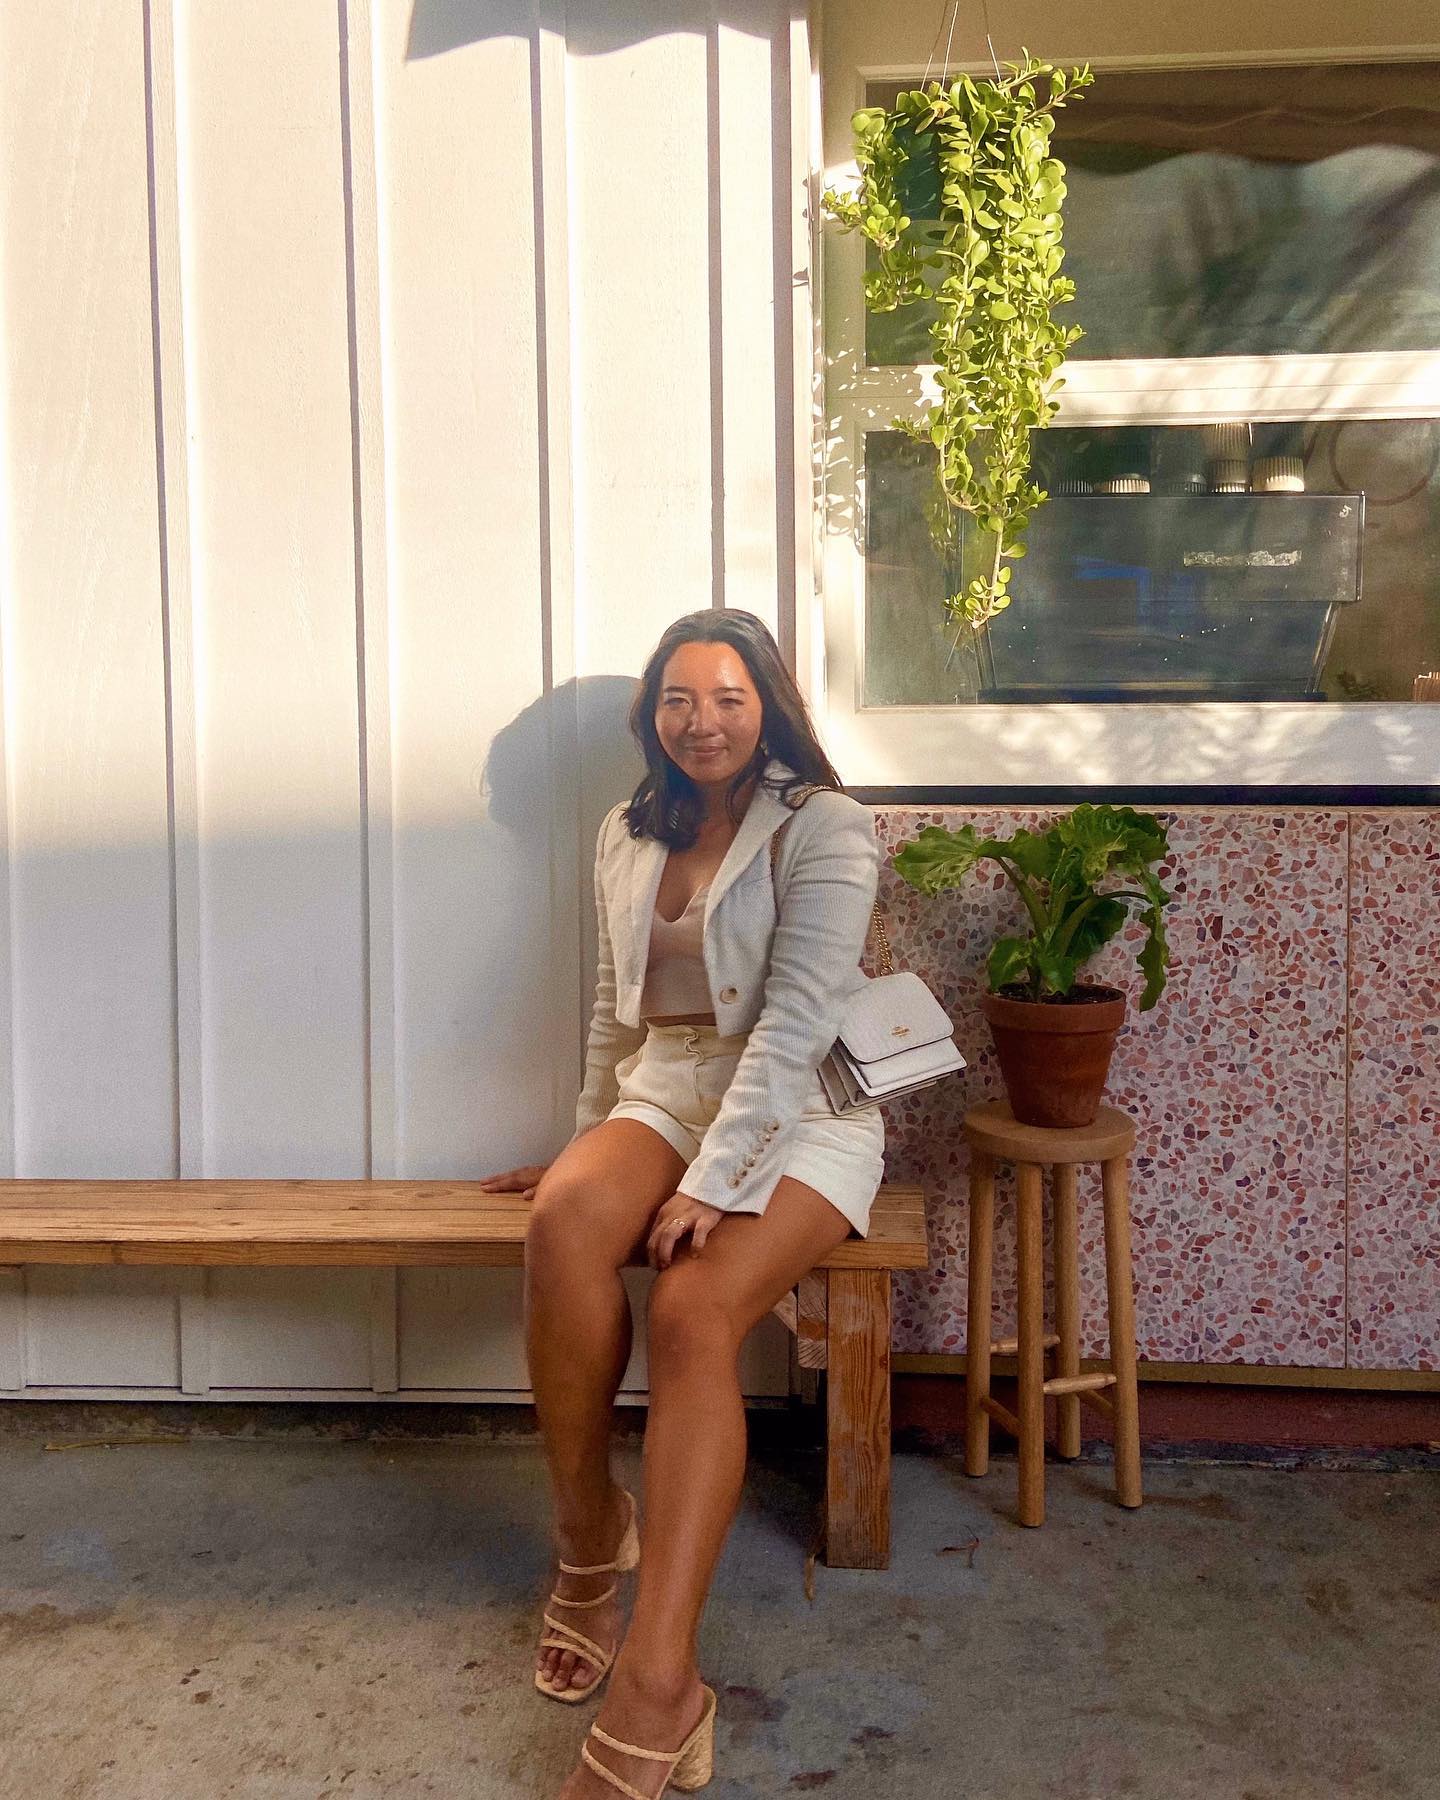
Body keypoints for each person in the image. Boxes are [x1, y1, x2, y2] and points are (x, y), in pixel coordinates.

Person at [480, 609, 886, 1799]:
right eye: (678, 699)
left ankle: (661, 1680)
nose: (701, 722)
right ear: (651, 714)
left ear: (768, 709)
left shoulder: (825, 826)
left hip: (803, 1107)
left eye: (727, 698)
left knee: (694, 1309)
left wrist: (714, 1183)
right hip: (670, 1084)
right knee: (562, 1221)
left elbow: (799, 1023)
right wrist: (585, 1146)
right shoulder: (627, 829)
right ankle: (588, 1541)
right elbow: (617, 1012)